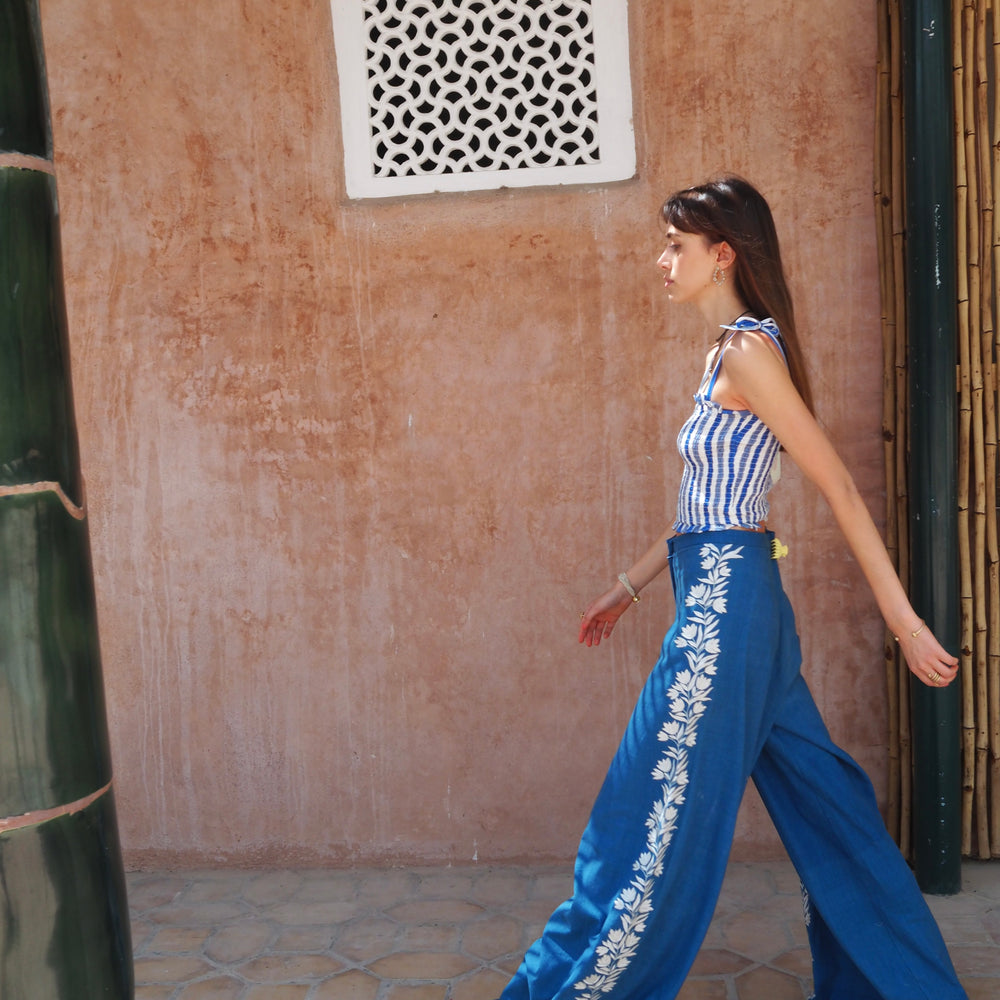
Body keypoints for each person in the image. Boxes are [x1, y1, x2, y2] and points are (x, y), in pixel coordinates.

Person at [497, 176, 967, 1000]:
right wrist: (628, 586)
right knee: (829, 807)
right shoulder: (728, 353)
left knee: (646, 812)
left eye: (674, 245)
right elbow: (707, 510)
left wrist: (904, 622)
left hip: (725, 611)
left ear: (722, 255)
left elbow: (837, 486)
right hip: (736, 598)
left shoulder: (749, 351)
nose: (661, 261)